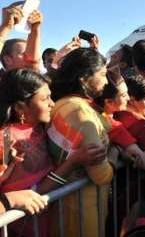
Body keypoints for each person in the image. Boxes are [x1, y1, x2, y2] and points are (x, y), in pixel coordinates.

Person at [0, 69, 106, 236]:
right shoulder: (5, 141)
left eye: (50, 96)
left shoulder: (42, 126)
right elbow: (35, 191)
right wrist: (73, 161)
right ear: (21, 107)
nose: (52, 104)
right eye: (45, 99)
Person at [48, 48, 113, 237]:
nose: (107, 81)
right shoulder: (79, 111)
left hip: (66, 205)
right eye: (102, 75)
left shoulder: (62, 105)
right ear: (84, 78)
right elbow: (101, 174)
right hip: (83, 210)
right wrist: (115, 157)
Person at [94, 70, 145, 171]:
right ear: (109, 102)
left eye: (127, 93)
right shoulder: (115, 125)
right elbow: (143, 161)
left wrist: (116, 149)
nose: (128, 98)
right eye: (123, 95)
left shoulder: (88, 111)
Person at [0, 1, 42, 74]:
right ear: (7, 60)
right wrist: (6, 27)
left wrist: (35, 30)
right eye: (24, 54)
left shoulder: (41, 83)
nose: (31, 57)